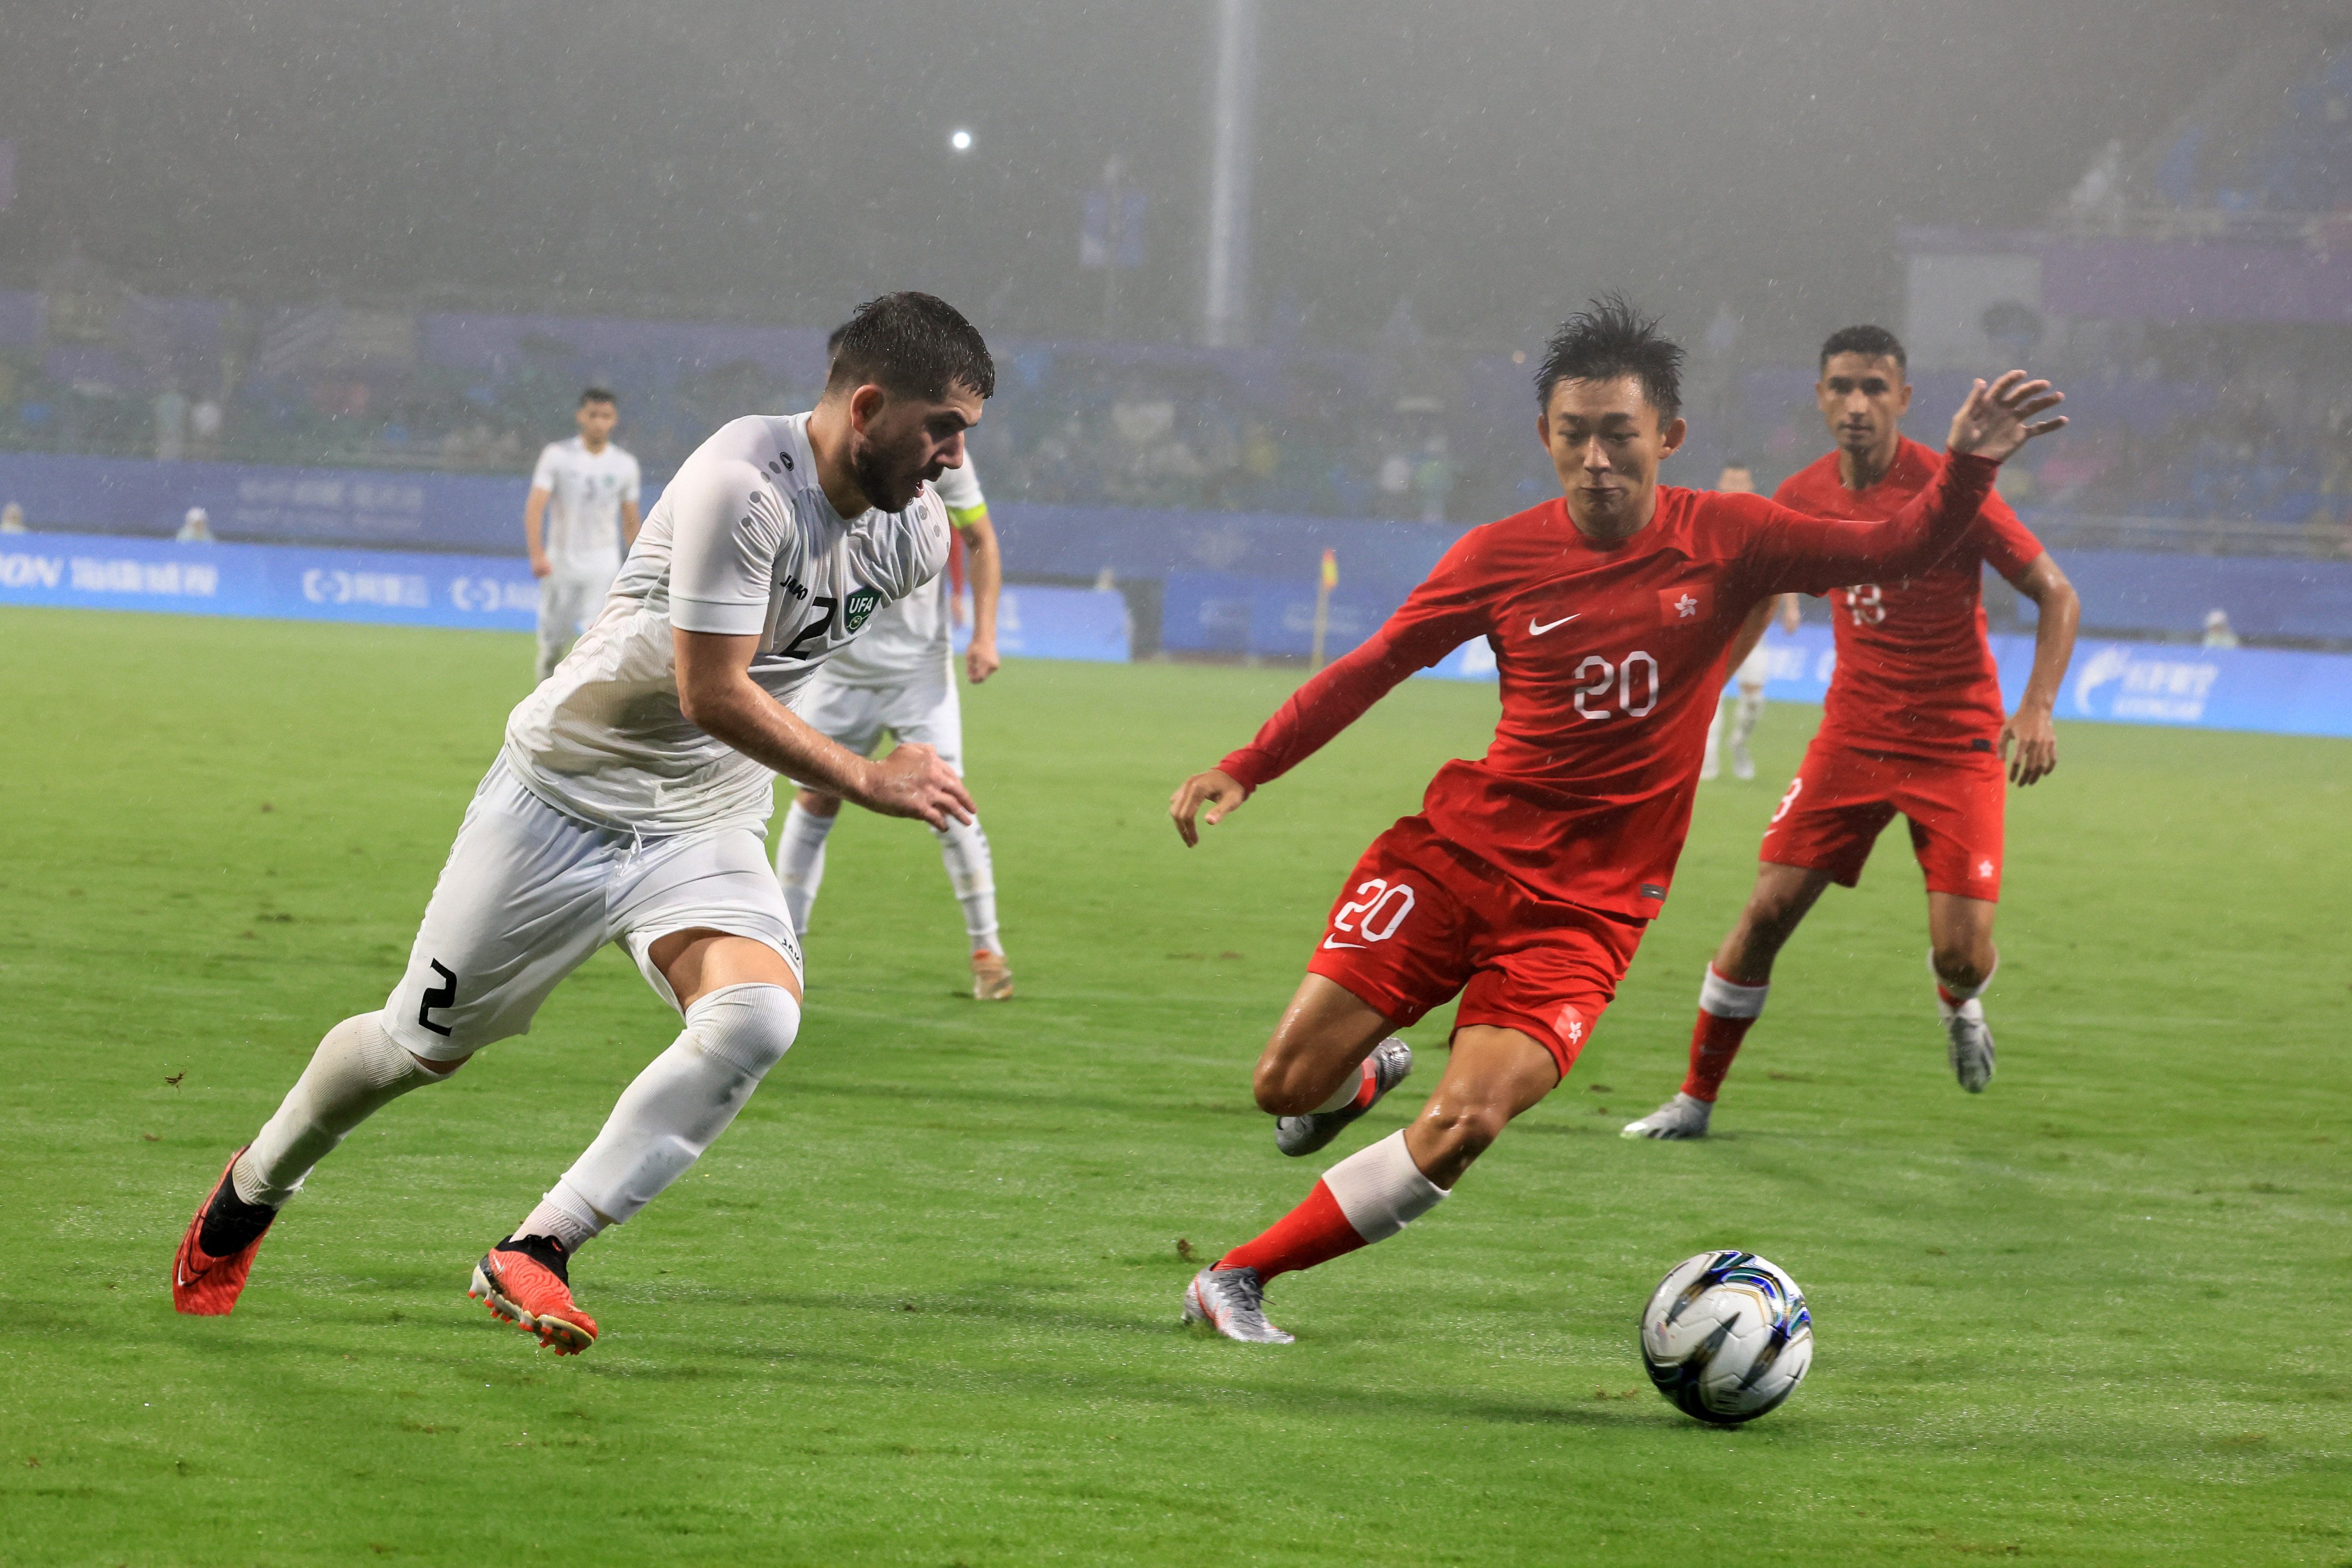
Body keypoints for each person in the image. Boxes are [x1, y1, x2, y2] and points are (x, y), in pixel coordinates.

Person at [1165, 298, 2063, 1344]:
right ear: (1546, 436)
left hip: (1587, 911)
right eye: (1574, 434)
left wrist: (1966, 468)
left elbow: (1898, 547)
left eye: (1619, 435)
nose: (1596, 459)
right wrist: (1249, 765)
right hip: (1455, 857)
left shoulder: (1734, 537)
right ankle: (1360, 1076)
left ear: (1667, 439)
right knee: (1286, 1087)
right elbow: (1377, 666)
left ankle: (1237, 1278)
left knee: (1467, 1122)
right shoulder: (1497, 555)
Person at [171, 293, 994, 1354]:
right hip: (561, 798)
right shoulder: (742, 483)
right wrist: (865, 778)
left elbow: (783, 670)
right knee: (412, 1051)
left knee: (755, 1021)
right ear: (869, 405)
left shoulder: (914, 536)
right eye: (942, 429)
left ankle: (538, 1247)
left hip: (701, 818)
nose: (952, 459)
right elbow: (713, 690)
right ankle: (255, 1184)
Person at [1624, 325, 2081, 1141]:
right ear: (1819, 398)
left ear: (1903, 399)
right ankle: (1693, 1099)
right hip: (1853, 737)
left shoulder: (1952, 485)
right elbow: (1755, 601)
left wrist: (2036, 705)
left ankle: (1957, 999)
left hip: (1954, 743)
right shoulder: (1798, 498)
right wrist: (1693, 703)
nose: (1858, 403)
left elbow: (2055, 593)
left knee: (1961, 955)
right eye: (1842, 386)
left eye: (1875, 387)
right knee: (1764, 912)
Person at [774, 326, 1013, 999]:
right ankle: (784, 948)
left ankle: (987, 950)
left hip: (917, 672)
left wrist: (985, 635)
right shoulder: (802, 462)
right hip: (837, 666)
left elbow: (983, 542)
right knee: (813, 801)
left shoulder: (940, 456)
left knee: (950, 802)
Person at [526, 389, 643, 682]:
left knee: (599, 642)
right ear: (581, 416)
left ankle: (587, 715)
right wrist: (537, 554)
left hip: (602, 564)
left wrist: (642, 563)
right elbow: (536, 507)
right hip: (561, 563)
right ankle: (542, 708)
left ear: (614, 421)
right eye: (593, 415)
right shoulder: (557, 456)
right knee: (553, 646)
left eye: (606, 416)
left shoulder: (625, 465)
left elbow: (630, 520)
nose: (599, 423)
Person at [1698, 461, 1802, 781]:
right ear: (1720, 483)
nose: (1735, 487)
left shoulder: (1765, 522)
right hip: (1713, 630)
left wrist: (1791, 608)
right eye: (1730, 481)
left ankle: (1739, 745)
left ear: (1751, 486)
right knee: (1708, 693)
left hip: (1753, 629)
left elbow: (1783, 568)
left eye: (1741, 481)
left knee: (1754, 700)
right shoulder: (1704, 522)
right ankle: (1708, 761)